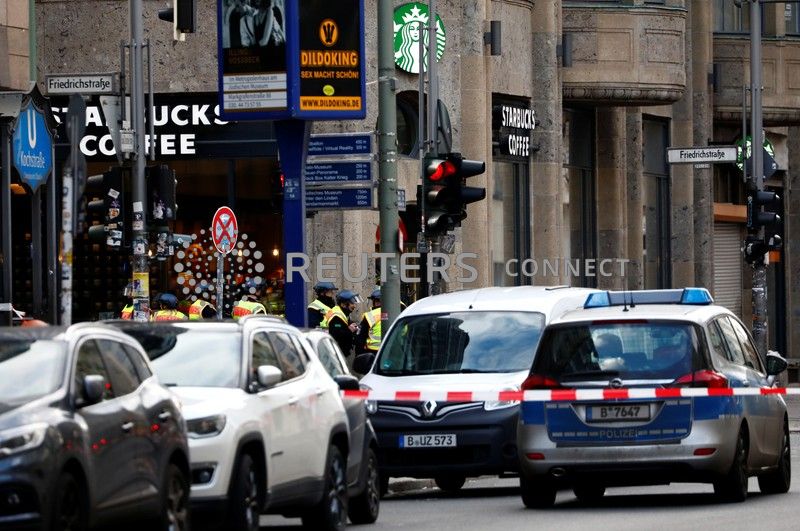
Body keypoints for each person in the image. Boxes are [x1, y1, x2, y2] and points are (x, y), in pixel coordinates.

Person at [324, 290, 361, 357]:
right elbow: (338, 335)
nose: (354, 306)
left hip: (336, 351)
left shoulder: (342, 313)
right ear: (343, 305)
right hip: (334, 353)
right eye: (352, 303)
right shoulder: (336, 316)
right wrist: (350, 330)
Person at [356, 288, 382, 355]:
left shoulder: (371, 315)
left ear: (375, 302)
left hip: (373, 351)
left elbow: (361, 337)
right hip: (391, 349)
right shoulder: (395, 313)